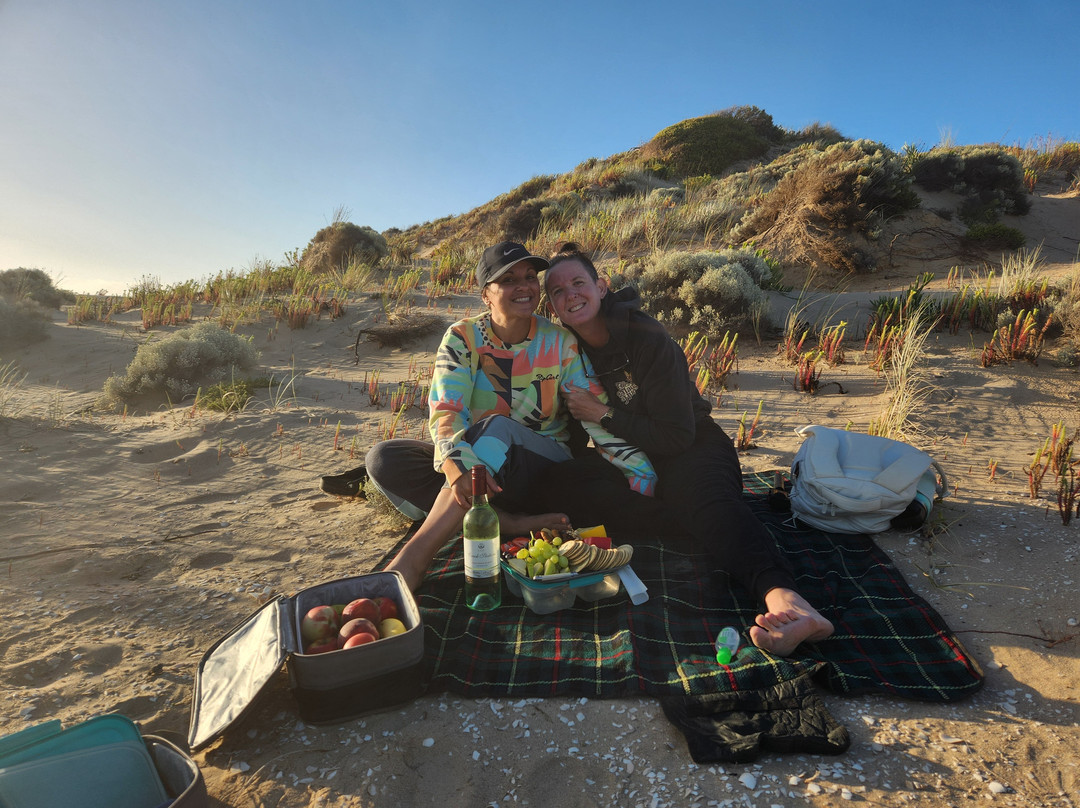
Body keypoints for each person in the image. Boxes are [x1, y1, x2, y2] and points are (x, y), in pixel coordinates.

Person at [538, 244, 834, 657]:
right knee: (563, 481)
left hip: (690, 446)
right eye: (556, 291)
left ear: (601, 287)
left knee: (707, 503)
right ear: (551, 305)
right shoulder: (566, 349)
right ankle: (690, 518)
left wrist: (604, 414)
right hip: (629, 458)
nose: (569, 294)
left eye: (578, 283)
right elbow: (571, 426)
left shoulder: (645, 337)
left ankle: (788, 602)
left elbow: (676, 434)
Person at [366, 241, 657, 592]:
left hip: (540, 467)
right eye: (508, 279)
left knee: (496, 429)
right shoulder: (462, 338)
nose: (524, 286)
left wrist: (640, 476)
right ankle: (510, 522)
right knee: (384, 459)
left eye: (530, 277)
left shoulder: (560, 343)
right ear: (485, 295)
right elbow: (447, 409)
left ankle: (414, 561)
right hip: (483, 472)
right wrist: (456, 465)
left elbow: (594, 414)